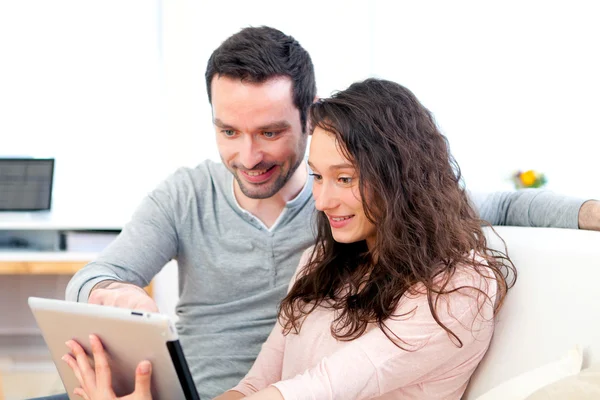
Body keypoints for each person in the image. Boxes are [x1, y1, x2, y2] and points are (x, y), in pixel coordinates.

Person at [36, 26, 599, 400]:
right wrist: (117, 297)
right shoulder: (309, 247)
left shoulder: (441, 280)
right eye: (227, 131)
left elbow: (501, 202)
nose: (247, 155)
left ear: (306, 120)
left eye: (270, 132)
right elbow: (94, 280)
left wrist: (589, 210)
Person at [64, 78, 517, 399]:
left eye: (345, 178)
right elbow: (254, 385)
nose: (321, 201)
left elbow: (317, 390)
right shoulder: (324, 259)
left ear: (402, 178)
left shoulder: (460, 287)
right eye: (319, 177)